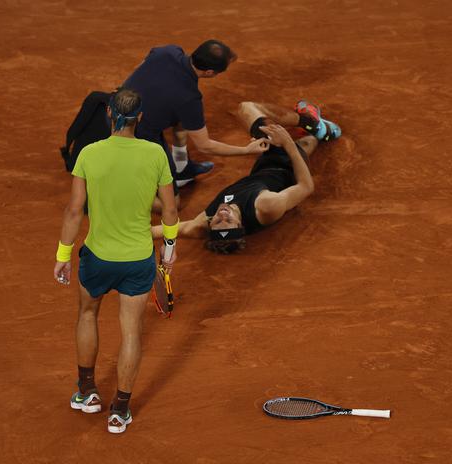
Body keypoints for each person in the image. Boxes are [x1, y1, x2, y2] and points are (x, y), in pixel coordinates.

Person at [53, 88, 180, 434]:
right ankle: (119, 411)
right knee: (131, 332)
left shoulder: (89, 154)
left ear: (110, 114)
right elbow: (170, 209)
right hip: (138, 260)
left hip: (96, 258)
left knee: (87, 313)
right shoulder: (155, 154)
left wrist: (63, 255)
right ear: (140, 118)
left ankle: (87, 392)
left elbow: (74, 210)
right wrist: (168, 249)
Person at [151, 100, 341, 253]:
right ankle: (311, 122)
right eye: (229, 220)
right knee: (246, 108)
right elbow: (306, 186)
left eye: (218, 221)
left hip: (261, 170)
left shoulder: (202, 224)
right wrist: (287, 143)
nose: (223, 215)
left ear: (210, 224)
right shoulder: (266, 206)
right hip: (287, 167)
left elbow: (160, 231)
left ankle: (319, 134)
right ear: (240, 223)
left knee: (306, 145)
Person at [122, 39, 269, 198]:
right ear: (209, 73)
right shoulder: (189, 99)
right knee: (172, 202)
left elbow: (139, 68)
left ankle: (181, 167)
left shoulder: (168, 51)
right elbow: (205, 146)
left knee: (180, 121)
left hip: (114, 107)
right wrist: (246, 150)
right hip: (130, 135)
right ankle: (118, 191)